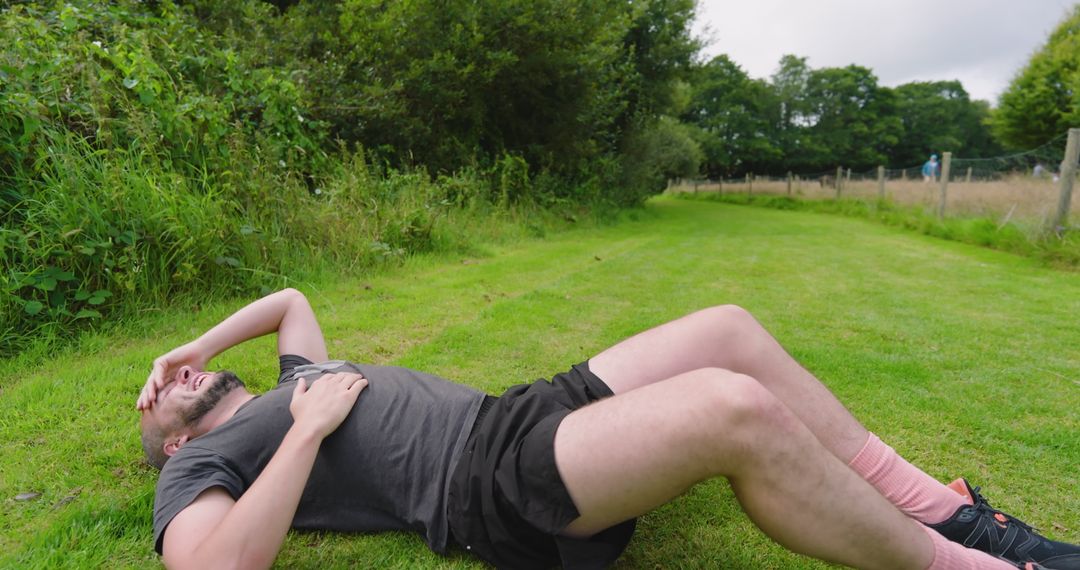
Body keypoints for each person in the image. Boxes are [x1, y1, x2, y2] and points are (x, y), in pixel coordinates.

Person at [137, 289, 1079, 570]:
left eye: (180, 373)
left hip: (515, 413)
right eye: (171, 393)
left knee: (727, 329)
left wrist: (178, 349)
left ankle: (953, 517)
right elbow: (211, 567)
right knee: (730, 409)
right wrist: (305, 433)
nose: (181, 380)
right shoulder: (207, 459)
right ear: (176, 443)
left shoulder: (293, 374)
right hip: (487, 489)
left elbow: (290, 300)